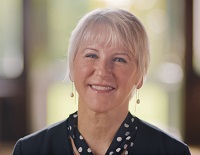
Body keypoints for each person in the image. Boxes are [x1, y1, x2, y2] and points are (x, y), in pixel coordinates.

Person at [13, 8, 191, 155]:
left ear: (140, 76)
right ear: (72, 68)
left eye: (120, 59)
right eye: (91, 55)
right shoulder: (29, 150)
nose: (103, 70)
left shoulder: (173, 152)